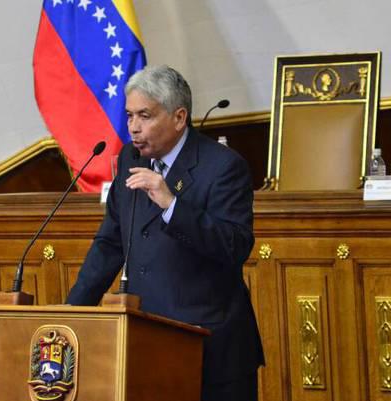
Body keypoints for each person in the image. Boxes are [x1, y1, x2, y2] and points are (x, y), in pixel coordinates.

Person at [66, 65, 264, 400]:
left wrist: (171, 204)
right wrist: (71, 314)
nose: (133, 127)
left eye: (145, 116)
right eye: (129, 115)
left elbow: (234, 246)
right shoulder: (130, 158)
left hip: (210, 349)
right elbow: (110, 243)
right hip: (146, 342)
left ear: (179, 117)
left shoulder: (223, 166)